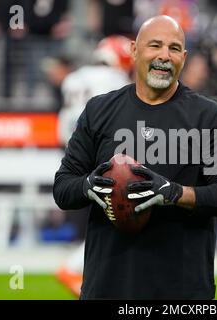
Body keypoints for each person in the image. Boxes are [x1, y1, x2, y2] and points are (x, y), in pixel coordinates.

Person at [53, 15, 217, 299]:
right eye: (155, 45)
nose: (164, 56)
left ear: (184, 56)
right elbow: (63, 189)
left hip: (181, 290)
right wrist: (89, 186)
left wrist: (173, 193)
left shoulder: (208, 117)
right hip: (108, 286)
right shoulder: (99, 111)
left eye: (174, 48)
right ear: (134, 50)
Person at [54, 35, 133, 297]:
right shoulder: (115, 80)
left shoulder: (74, 78)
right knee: (120, 220)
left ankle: (97, 279)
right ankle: (76, 269)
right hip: (100, 155)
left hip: (72, 156)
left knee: (108, 222)